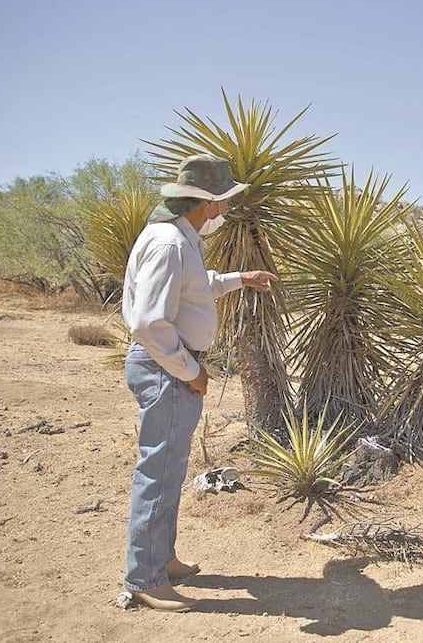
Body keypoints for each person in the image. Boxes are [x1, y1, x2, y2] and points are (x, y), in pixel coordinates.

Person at [121, 153, 278, 611]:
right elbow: (149, 322)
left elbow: (193, 287)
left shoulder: (179, 239)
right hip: (168, 369)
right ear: (206, 202)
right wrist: (192, 372)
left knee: (170, 469)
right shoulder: (170, 243)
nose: (226, 208)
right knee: (159, 472)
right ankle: (145, 579)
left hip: (169, 367)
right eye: (223, 199)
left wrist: (239, 278)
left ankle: (161, 558)